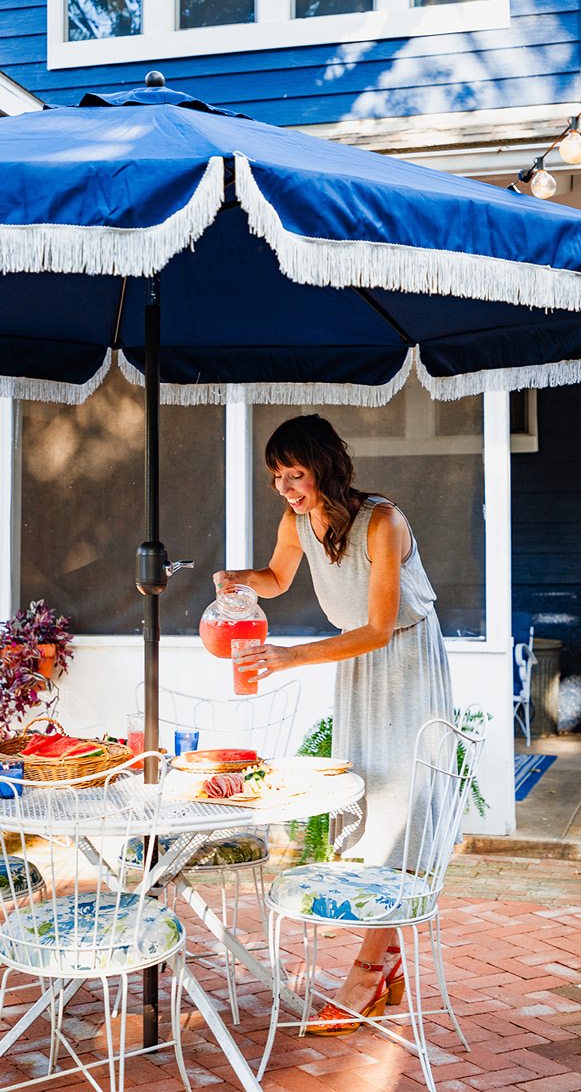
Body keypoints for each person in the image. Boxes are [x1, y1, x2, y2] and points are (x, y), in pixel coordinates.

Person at [213, 413, 453, 1036]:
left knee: (402, 808)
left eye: (296, 473)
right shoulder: (296, 520)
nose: (287, 487)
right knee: (365, 800)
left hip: (402, 662)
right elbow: (278, 578)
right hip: (356, 669)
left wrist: (292, 655)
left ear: (325, 466)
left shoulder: (383, 521)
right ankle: (388, 955)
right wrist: (242, 579)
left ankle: (368, 970)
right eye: (276, 476)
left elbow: (377, 628)